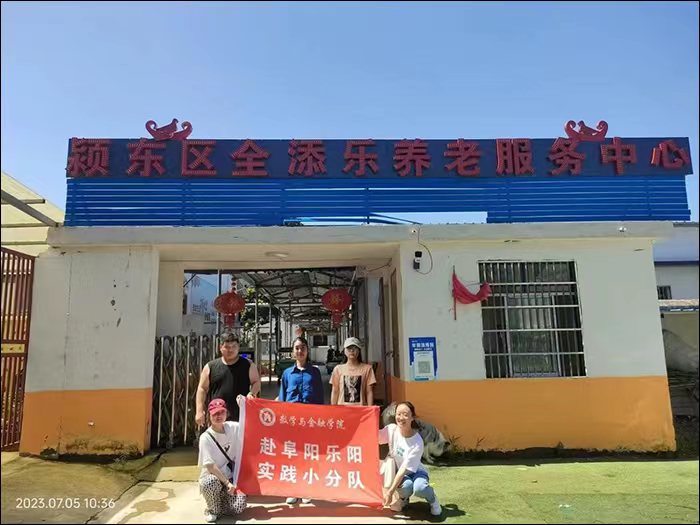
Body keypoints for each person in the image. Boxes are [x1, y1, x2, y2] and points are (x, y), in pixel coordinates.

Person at [278, 336, 324, 504]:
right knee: (292, 454)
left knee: (308, 454)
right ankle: (293, 490)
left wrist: (320, 420)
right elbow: (282, 398)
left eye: (303, 348)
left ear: (307, 350)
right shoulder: (287, 374)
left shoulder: (315, 373)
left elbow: (320, 397)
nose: (300, 351)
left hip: (310, 422)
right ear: (293, 351)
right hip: (291, 422)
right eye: (297, 348)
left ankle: (306, 489)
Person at [379, 401, 442, 516]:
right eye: (398, 414)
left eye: (405, 414)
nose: (401, 418)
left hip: (417, 472)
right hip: (403, 474)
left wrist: (390, 492)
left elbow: (404, 469)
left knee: (420, 488)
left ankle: (433, 499)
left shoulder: (417, 442)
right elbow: (376, 437)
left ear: (412, 417)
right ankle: (404, 499)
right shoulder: (391, 430)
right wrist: (368, 419)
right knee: (406, 487)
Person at [198, 397, 247, 522]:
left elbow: (249, 424)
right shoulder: (205, 438)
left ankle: (220, 502)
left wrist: (243, 406)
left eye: (221, 412)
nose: (218, 416)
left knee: (239, 507)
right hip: (213, 477)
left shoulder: (232, 427)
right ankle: (212, 509)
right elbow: (210, 466)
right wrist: (227, 483)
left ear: (226, 413)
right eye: (215, 414)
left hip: (229, 477)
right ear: (209, 416)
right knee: (210, 482)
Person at [196, 332, 261, 426]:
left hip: (241, 416)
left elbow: (256, 382)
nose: (230, 350)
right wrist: (199, 411)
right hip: (217, 416)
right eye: (227, 347)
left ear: (238, 347)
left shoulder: (248, 365)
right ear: (220, 347)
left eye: (234, 346)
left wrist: (252, 393)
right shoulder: (210, 366)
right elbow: (202, 389)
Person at [330, 337, 377, 406]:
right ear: (344, 351)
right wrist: (333, 409)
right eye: (349, 348)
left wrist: (370, 409)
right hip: (342, 410)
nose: (352, 350)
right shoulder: (338, 369)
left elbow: (369, 392)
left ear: (359, 350)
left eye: (355, 348)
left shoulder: (367, 369)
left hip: (361, 410)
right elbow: (335, 391)